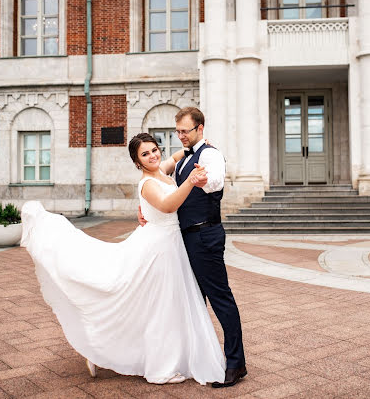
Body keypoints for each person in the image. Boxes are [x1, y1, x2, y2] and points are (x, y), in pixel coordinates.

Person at [20, 132, 225, 385]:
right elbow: (168, 205)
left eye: (153, 150)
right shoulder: (147, 184)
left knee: (160, 305)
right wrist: (190, 181)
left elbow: (175, 156)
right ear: (137, 162)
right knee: (158, 307)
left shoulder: (161, 169)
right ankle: (158, 367)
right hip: (158, 248)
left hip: (170, 244)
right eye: (145, 154)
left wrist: (200, 147)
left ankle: (111, 349)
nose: (152, 156)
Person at [138, 107, 247, 388]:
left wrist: (203, 179)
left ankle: (236, 364)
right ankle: (198, 358)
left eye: (185, 131)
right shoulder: (184, 157)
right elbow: (152, 180)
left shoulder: (209, 155)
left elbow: (215, 181)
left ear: (200, 129)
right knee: (194, 302)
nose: (180, 136)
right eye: (178, 132)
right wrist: (141, 205)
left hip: (204, 236)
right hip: (185, 239)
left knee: (221, 299)